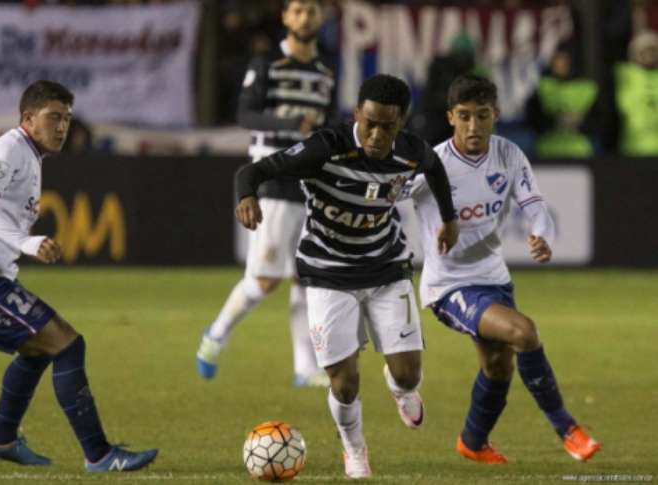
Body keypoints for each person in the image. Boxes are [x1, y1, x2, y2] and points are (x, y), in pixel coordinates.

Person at [0, 80, 158, 472]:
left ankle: (1, 439)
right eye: (53, 117)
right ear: (28, 118)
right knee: (66, 345)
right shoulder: (9, 149)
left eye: (67, 119)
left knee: (40, 349)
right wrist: (24, 243)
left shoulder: (26, 155)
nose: (62, 127)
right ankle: (99, 455)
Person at [234, 74, 459, 478]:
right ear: (357, 113)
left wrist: (449, 217)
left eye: (388, 126)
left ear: (401, 123)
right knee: (344, 383)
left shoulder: (409, 151)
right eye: (369, 122)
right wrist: (246, 197)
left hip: (386, 268)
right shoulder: (325, 148)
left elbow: (436, 168)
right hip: (327, 274)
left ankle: (399, 388)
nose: (376, 134)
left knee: (409, 375)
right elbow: (252, 172)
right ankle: (354, 448)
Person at [410, 74, 600, 464]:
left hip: (495, 279)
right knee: (523, 332)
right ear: (450, 117)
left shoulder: (509, 155)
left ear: (495, 115)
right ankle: (568, 429)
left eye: (482, 116)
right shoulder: (433, 164)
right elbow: (387, 198)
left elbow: (536, 207)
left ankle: (473, 442)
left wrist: (540, 234)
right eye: (464, 116)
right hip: (449, 287)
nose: (473, 126)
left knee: (498, 366)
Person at [197, 0, 338, 387]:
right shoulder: (266, 63)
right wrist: (290, 122)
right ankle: (215, 336)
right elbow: (245, 115)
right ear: (286, 18)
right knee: (264, 281)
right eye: (298, 10)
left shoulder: (326, 71)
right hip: (274, 179)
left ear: (320, 17)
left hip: (311, 182)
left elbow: (325, 125)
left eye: (312, 10)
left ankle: (304, 367)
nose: (305, 17)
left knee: (307, 276)